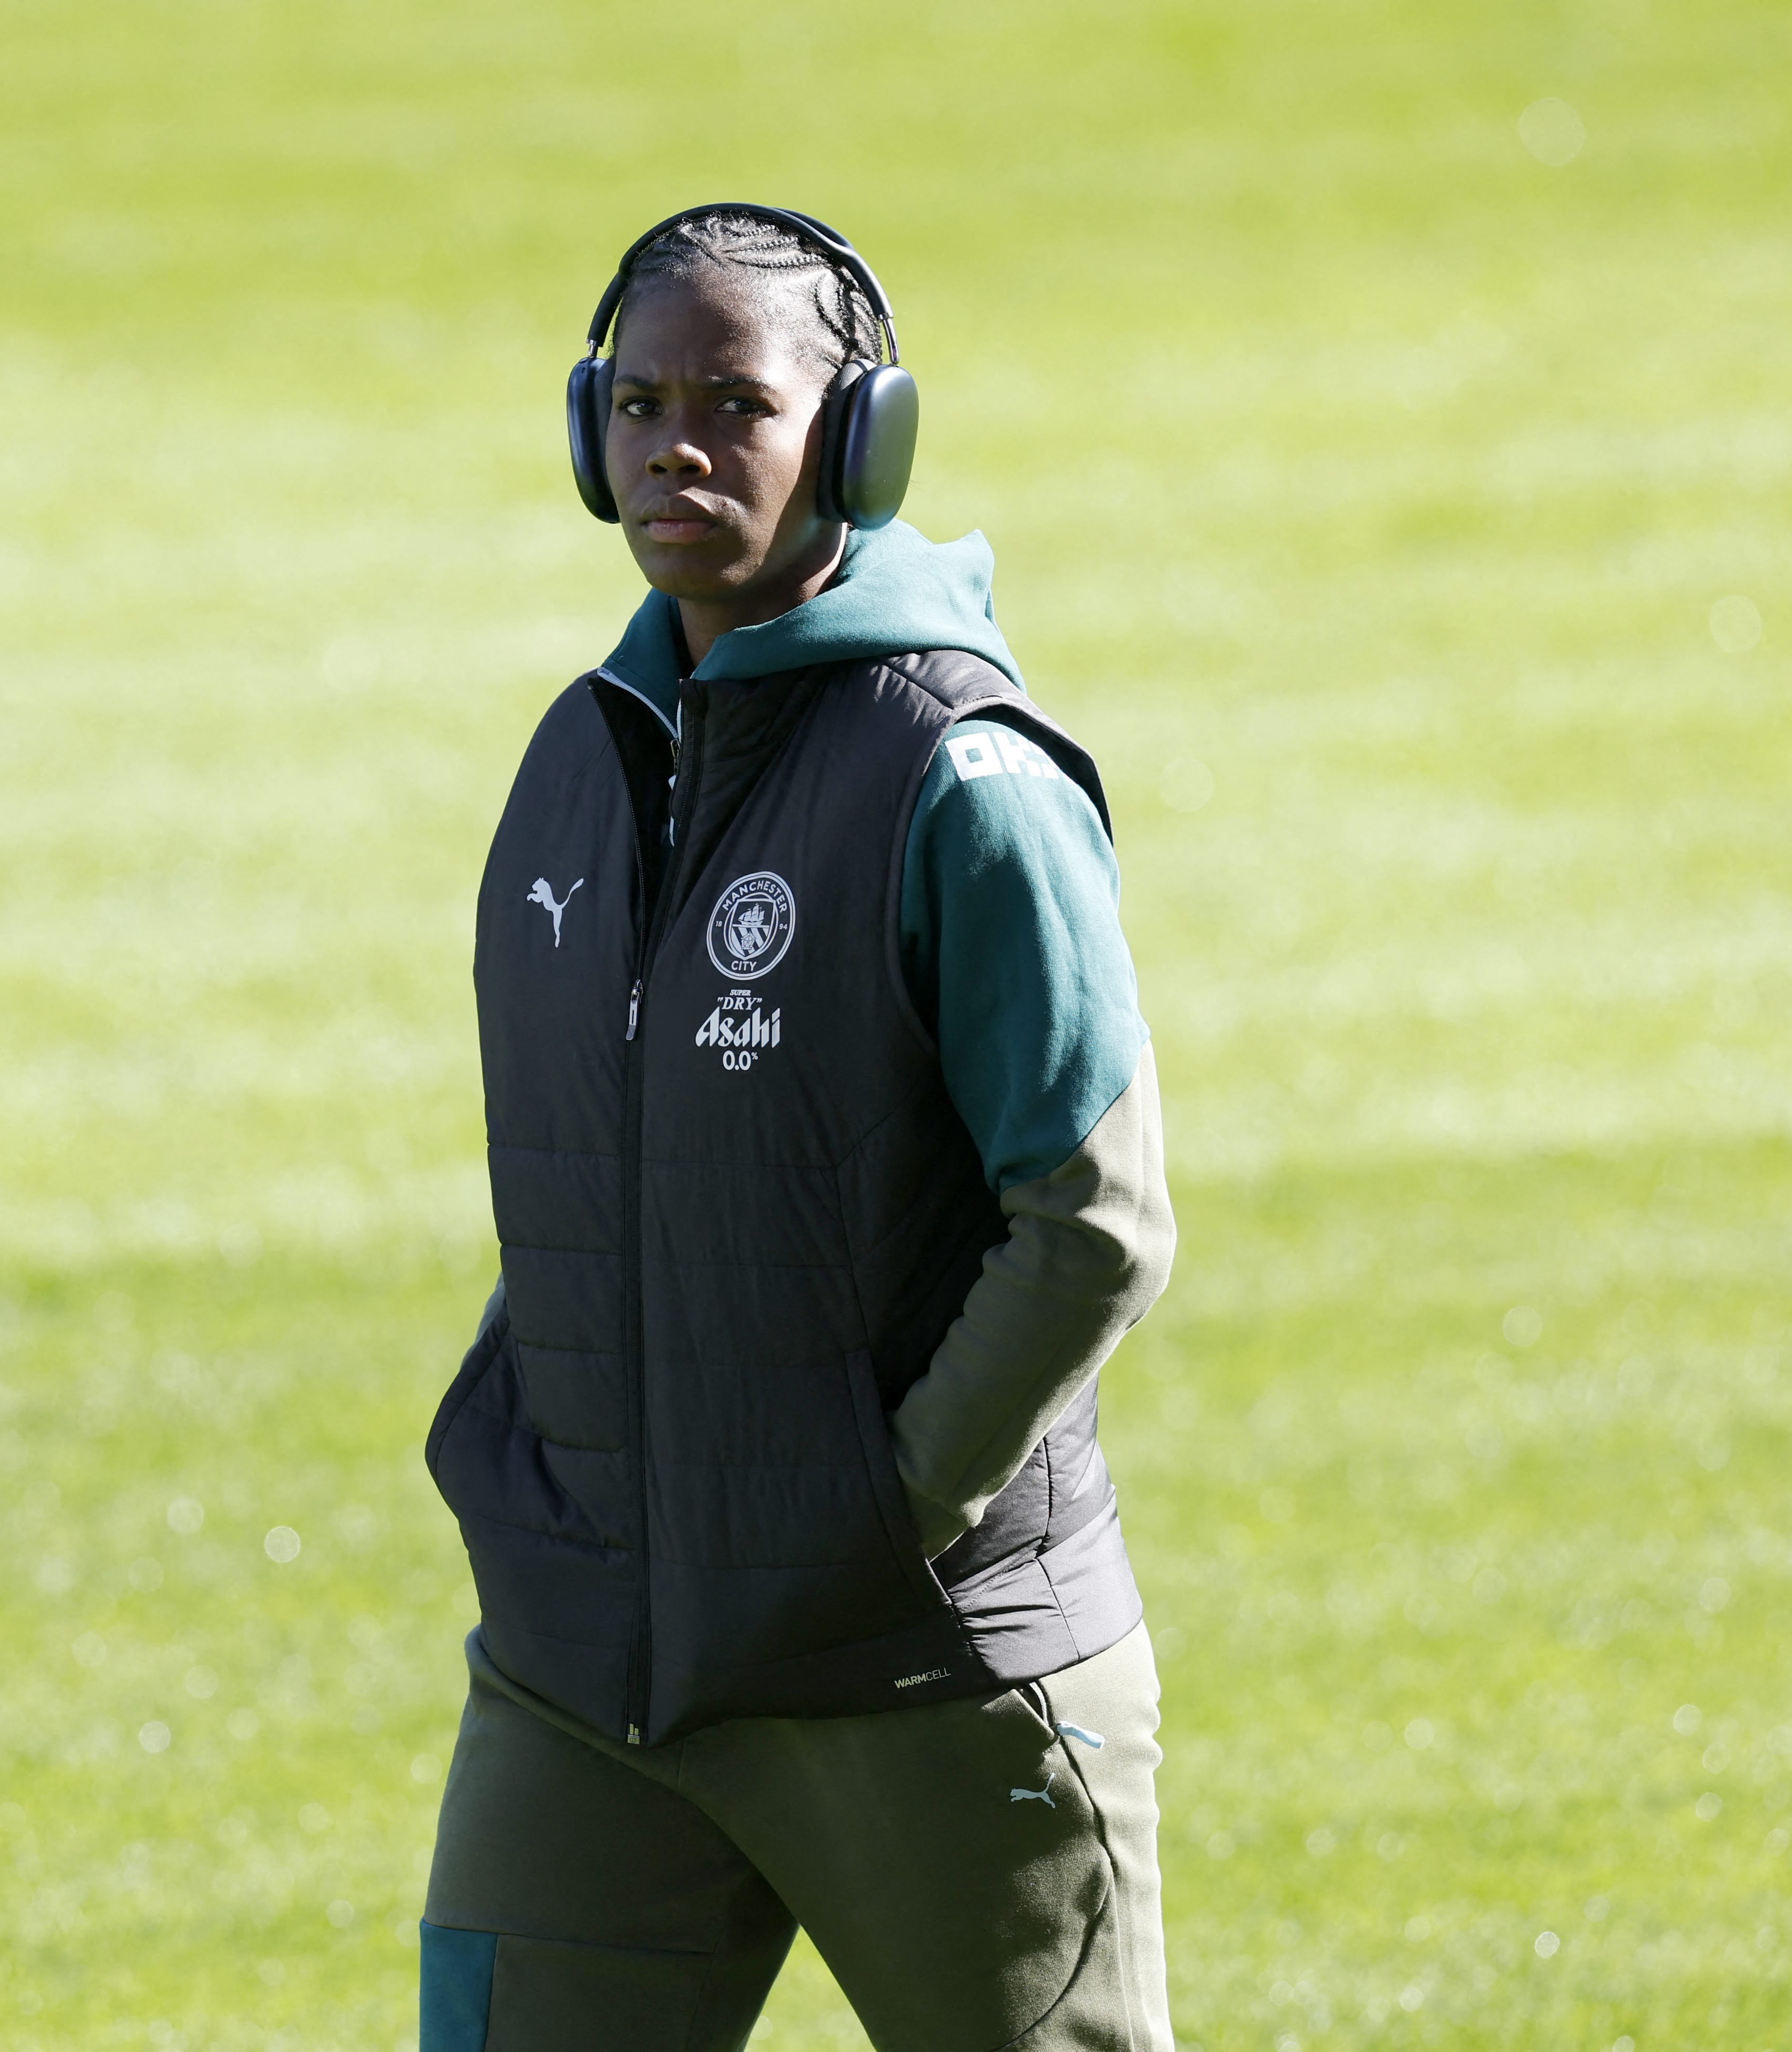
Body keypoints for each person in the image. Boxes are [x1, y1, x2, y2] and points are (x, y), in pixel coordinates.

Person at [417, 205, 1178, 2052]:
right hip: (591, 1667)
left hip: (917, 1670)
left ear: (860, 439)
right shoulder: (583, 757)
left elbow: (1094, 1220)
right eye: (638, 403)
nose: (676, 447)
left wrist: (874, 1509)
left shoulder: (965, 778)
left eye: (736, 406)